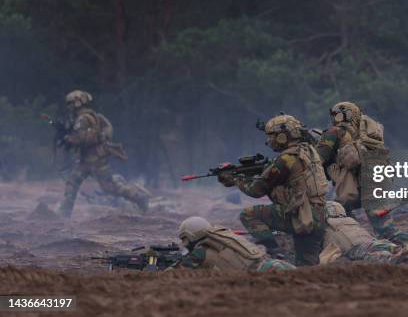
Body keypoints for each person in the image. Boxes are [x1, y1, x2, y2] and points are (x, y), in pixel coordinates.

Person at [218, 114, 328, 266]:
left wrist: (236, 179)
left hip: (301, 217)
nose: (269, 141)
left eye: (272, 136)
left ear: (283, 136)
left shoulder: (286, 158)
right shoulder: (308, 151)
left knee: (248, 215)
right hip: (319, 216)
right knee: (306, 266)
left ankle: (276, 252)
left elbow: (256, 190)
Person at [316, 101, 408, 244]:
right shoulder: (366, 135)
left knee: (338, 218)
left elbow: (318, 161)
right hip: (375, 185)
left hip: (354, 191)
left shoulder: (335, 133)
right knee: (385, 230)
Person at [58, 90, 150, 218]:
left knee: (110, 187)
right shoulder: (91, 116)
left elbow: (84, 139)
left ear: (77, 103)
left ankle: (140, 197)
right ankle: (64, 214)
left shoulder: (83, 119)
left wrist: (68, 139)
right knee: (73, 183)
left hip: (93, 160)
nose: (69, 107)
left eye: (70, 104)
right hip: (90, 159)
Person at [320, 201, 408, 264]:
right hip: (375, 242)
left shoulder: (327, 227)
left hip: (360, 249)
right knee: (400, 250)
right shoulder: (350, 221)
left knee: (389, 261)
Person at [170, 216, 295, 271]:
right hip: (272, 264)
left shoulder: (200, 251)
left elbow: (175, 273)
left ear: (192, 236)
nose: (185, 244)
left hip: (264, 272)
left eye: (185, 239)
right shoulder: (223, 237)